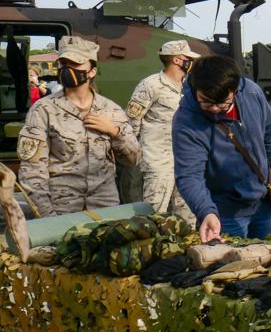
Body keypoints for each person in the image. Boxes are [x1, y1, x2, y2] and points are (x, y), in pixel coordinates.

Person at [17, 36, 140, 217]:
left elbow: (134, 159)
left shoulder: (111, 110)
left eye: (75, 64)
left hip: (105, 207)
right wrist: (47, 216)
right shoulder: (44, 110)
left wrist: (114, 132)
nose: (67, 69)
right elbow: (32, 171)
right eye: (64, 63)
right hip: (62, 207)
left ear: (91, 71)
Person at [173, 54, 271, 241]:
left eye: (222, 103)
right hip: (224, 212)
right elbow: (189, 175)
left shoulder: (252, 94)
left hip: (263, 205)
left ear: (235, 91)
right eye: (206, 101)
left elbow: (269, 127)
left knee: (267, 265)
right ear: (195, 89)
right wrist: (207, 212)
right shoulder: (186, 120)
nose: (214, 108)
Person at [127, 39, 198, 219]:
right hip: (158, 162)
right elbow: (132, 122)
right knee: (154, 214)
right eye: (187, 58)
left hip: (184, 161)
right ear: (176, 60)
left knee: (187, 215)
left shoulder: (189, 87)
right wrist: (137, 156)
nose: (191, 62)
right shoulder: (150, 85)